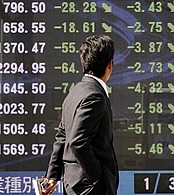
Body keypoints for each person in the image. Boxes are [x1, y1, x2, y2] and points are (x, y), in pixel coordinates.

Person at [43, 34, 119, 195]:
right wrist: (96, 177)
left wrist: (52, 176)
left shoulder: (75, 92)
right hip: (90, 187)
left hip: (73, 184)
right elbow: (78, 142)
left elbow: (62, 137)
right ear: (110, 64)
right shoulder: (95, 96)